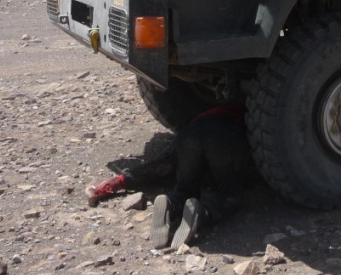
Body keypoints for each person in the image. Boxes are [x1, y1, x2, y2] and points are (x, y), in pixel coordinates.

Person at [85, 104, 252, 249]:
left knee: (185, 189)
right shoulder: (251, 112)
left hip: (188, 133)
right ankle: (202, 212)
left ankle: (171, 204)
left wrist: (117, 182)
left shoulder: (211, 109)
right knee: (230, 197)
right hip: (223, 133)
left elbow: (163, 166)